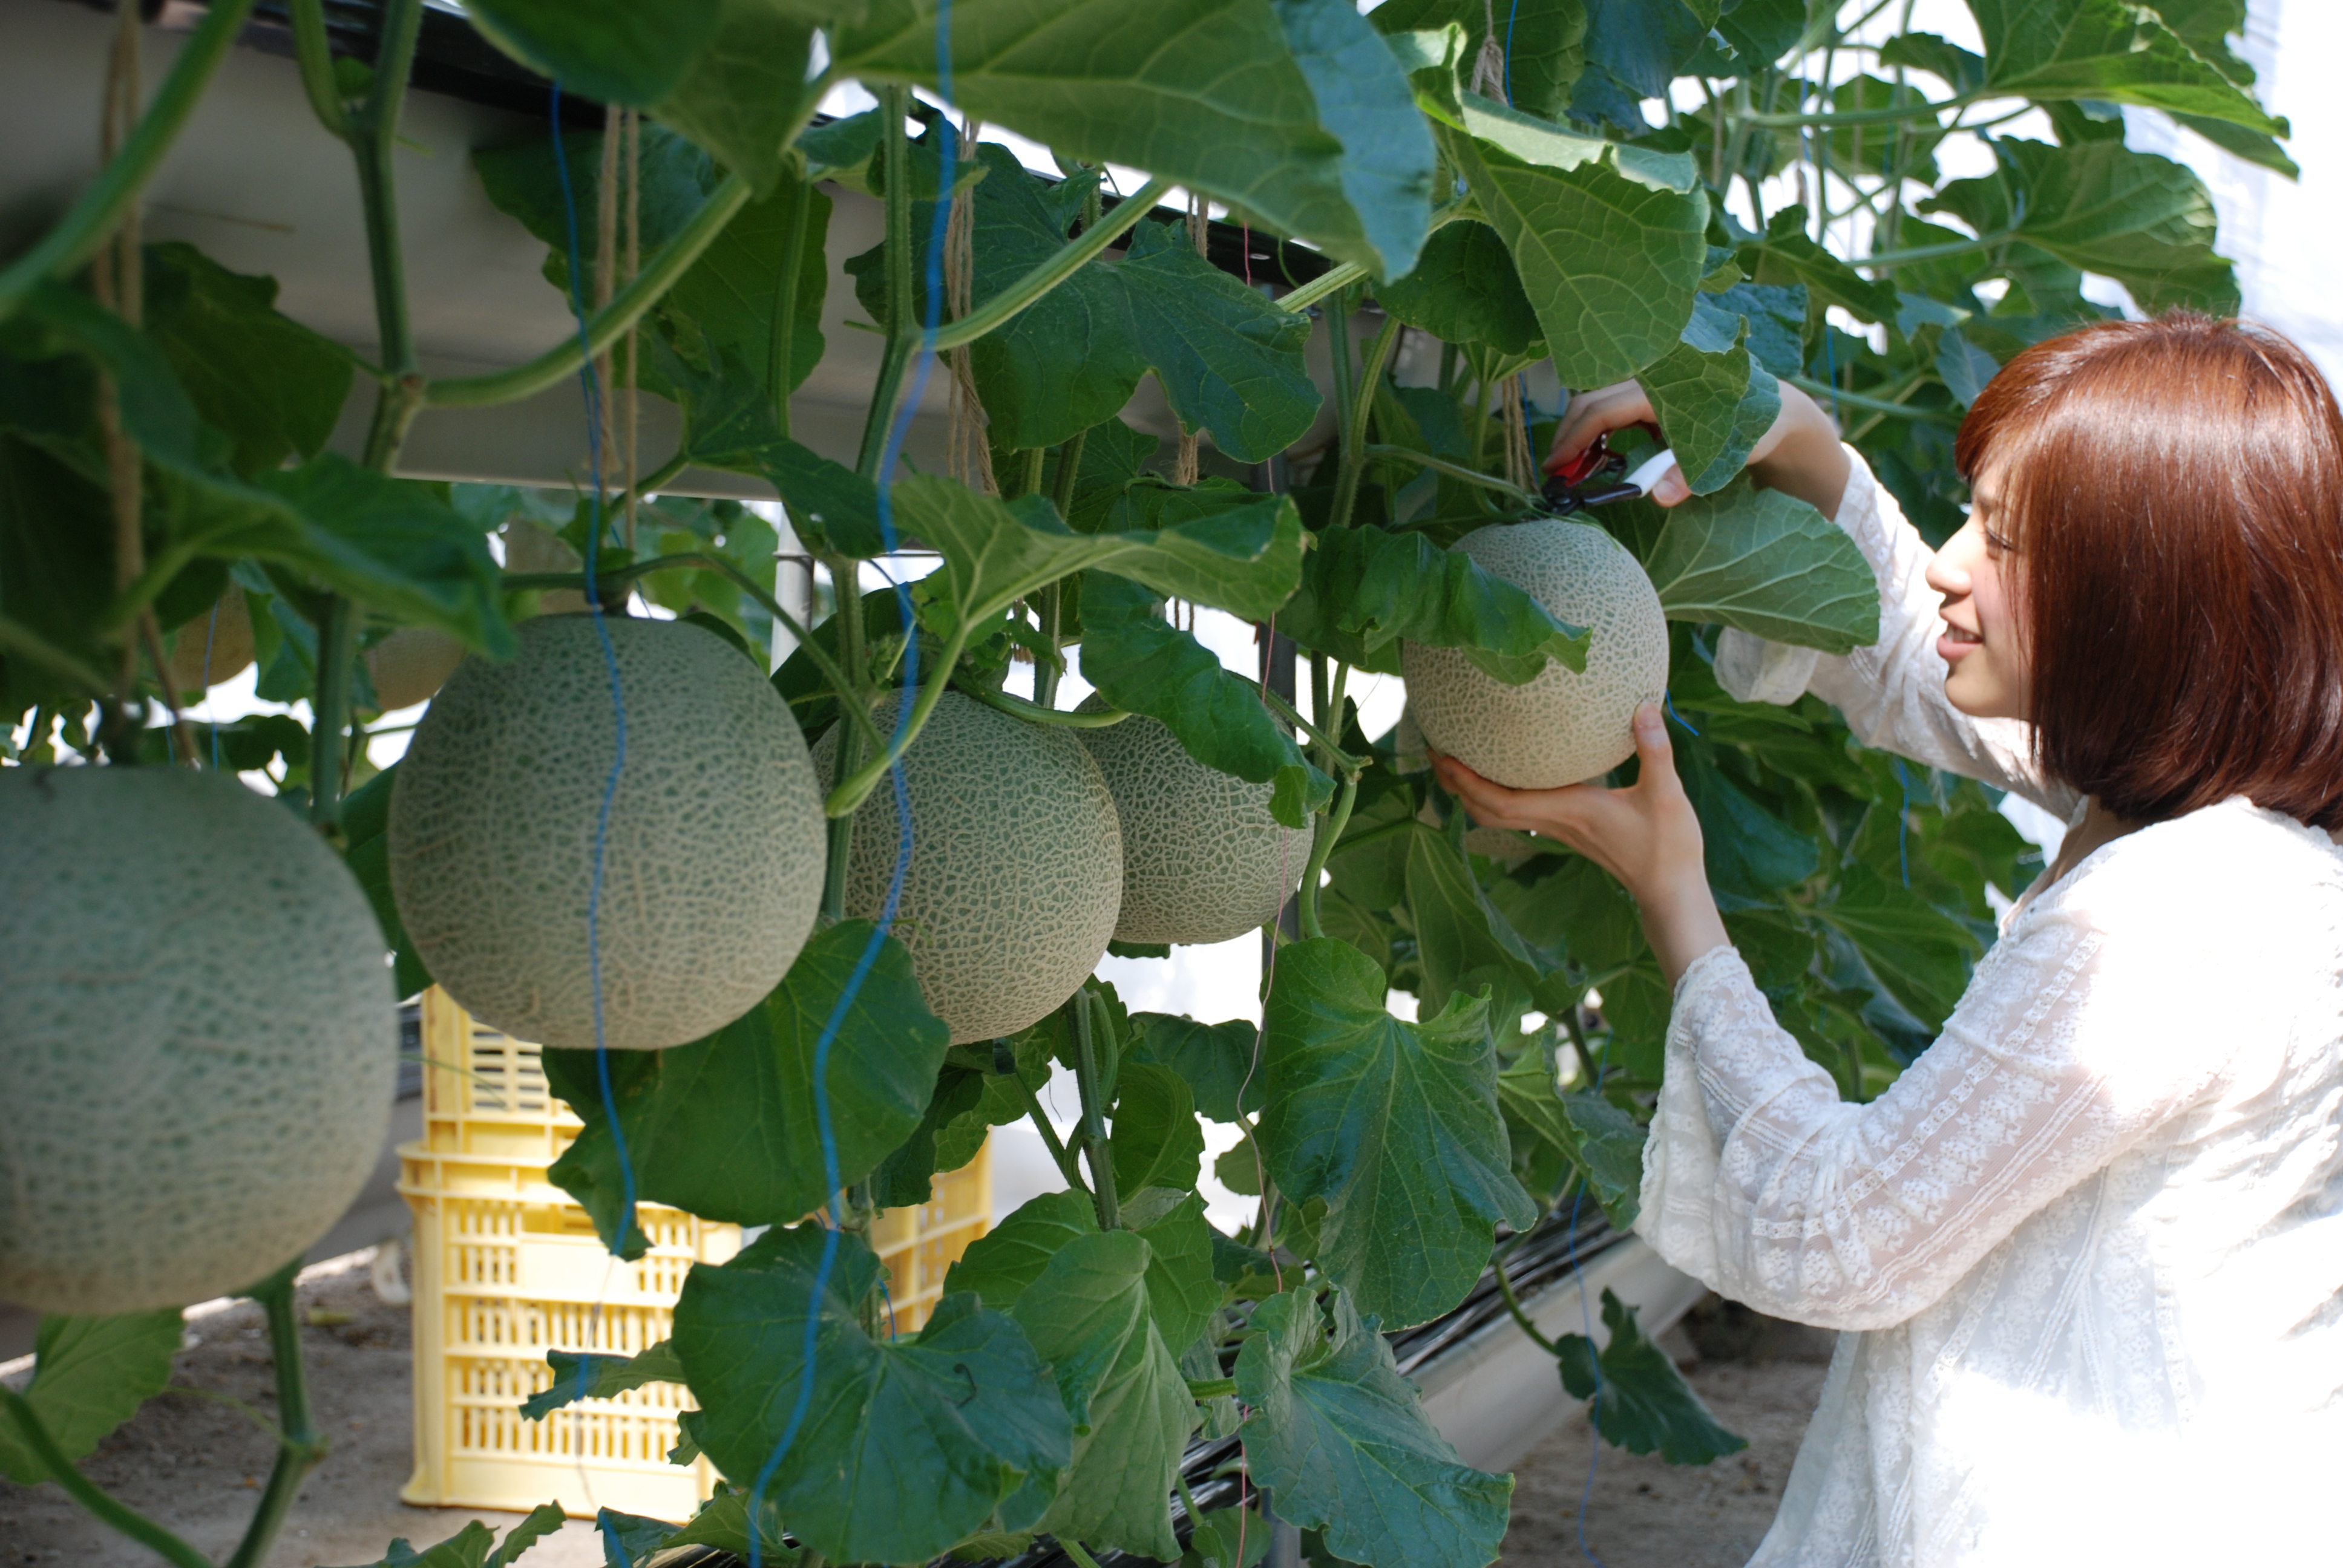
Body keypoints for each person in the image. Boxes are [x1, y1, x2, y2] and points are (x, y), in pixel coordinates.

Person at [1430, 315, 2343, 1567]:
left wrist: (1672, 895)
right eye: (1972, 516)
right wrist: (1804, 448)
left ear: (2144, 605)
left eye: (2006, 541)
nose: (1949, 565)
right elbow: (1925, 664)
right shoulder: (2231, 828)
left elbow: (1836, 1234)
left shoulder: (2166, 924)